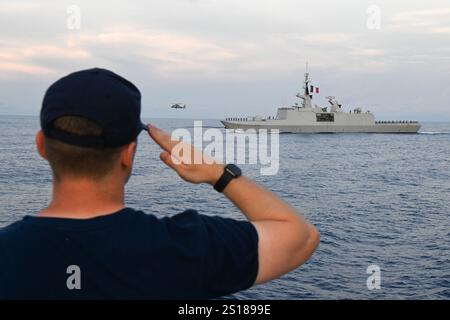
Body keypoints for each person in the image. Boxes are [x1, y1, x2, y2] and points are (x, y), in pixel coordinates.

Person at [0, 68, 319, 299]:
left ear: (41, 145)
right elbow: (302, 237)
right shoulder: (186, 247)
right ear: (129, 153)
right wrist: (216, 173)